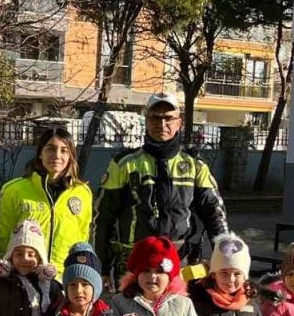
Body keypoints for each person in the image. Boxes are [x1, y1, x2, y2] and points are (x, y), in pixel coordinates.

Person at [94, 91, 228, 283]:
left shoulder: (195, 166)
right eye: (155, 118)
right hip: (133, 263)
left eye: (168, 118)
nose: (161, 124)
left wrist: (225, 261)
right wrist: (102, 265)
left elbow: (214, 216)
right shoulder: (123, 164)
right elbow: (103, 217)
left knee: (177, 313)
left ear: (178, 123)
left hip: (179, 263)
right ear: (146, 121)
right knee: (131, 314)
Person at [0, 124, 92, 276]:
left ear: (71, 156)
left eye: (64, 150)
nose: (57, 155)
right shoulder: (14, 190)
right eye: (50, 149)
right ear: (40, 153)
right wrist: (9, 271)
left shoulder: (82, 193)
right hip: (25, 277)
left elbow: (82, 239)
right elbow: (3, 237)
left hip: (63, 279)